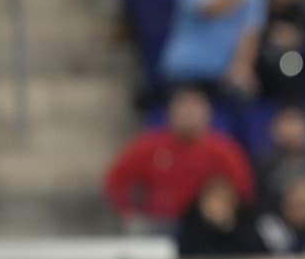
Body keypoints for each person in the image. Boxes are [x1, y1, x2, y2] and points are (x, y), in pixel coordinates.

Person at [103, 87, 254, 229]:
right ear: (170, 112)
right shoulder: (149, 146)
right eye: (183, 107)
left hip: (205, 225)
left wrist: (226, 209)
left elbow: (243, 190)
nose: (188, 114)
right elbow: (116, 180)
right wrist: (128, 211)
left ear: (207, 113)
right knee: (137, 229)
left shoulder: (223, 150)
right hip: (158, 222)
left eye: (194, 108)